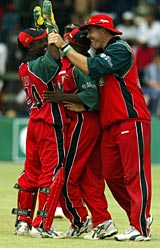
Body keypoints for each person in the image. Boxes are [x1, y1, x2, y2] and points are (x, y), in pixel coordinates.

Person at [51, 13, 152, 242]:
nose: (89, 37)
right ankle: (139, 218)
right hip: (110, 125)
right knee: (112, 175)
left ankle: (140, 225)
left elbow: (92, 68)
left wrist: (65, 47)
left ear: (104, 30)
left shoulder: (120, 49)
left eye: (91, 31)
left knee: (135, 174)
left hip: (130, 119)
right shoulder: (104, 53)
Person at [43, 27, 118, 240]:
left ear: (73, 43)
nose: (65, 38)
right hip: (91, 123)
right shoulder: (83, 62)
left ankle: (79, 220)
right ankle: (103, 221)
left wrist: (62, 97)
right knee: (89, 177)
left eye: (68, 37)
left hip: (83, 123)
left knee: (67, 176)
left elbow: (92, 95)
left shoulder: (80, 65)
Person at [11, 27, 66, 238]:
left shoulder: (23, 67)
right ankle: (42, 225)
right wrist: (54, 36)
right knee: (51, 174)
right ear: (31, 46)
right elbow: (54, 58)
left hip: (34, 123)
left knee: (30, 174)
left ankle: (22, 223)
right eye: (41, 41)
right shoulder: (41, 65)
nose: (45, 44)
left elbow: (46, 57)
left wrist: (47, 36)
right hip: (49, 124)